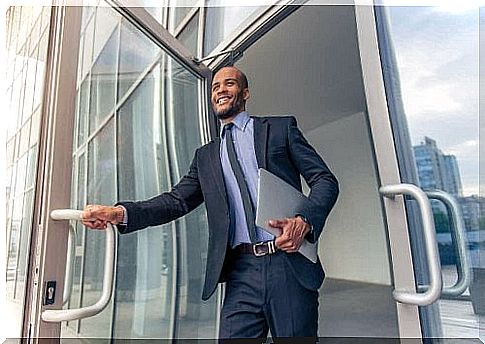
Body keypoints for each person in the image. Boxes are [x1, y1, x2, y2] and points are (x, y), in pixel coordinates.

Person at [82, 66, 339, 342]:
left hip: (289, 265)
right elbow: (175, 201)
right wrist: (119, 213)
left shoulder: (279, 129)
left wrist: (304, 221)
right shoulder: (206, 157)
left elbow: (325, 180)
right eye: (215, 87)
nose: (220, 90)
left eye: (229, 84)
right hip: (241, 272)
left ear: (245, 93)